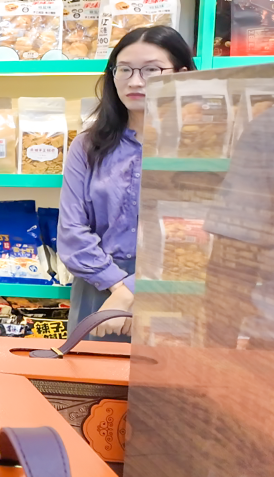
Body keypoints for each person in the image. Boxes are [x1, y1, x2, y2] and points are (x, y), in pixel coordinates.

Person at [59, 26, 196, 342]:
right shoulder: (87, 146)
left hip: (174, 286)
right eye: (124, 70)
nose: (135, 81)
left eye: (151, 70)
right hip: (99, 287)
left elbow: (198, 235)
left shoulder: (202, 147)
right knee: (92, 371)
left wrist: (130, 291)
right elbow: (71, 232)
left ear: (182, 75)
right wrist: (117, 287)